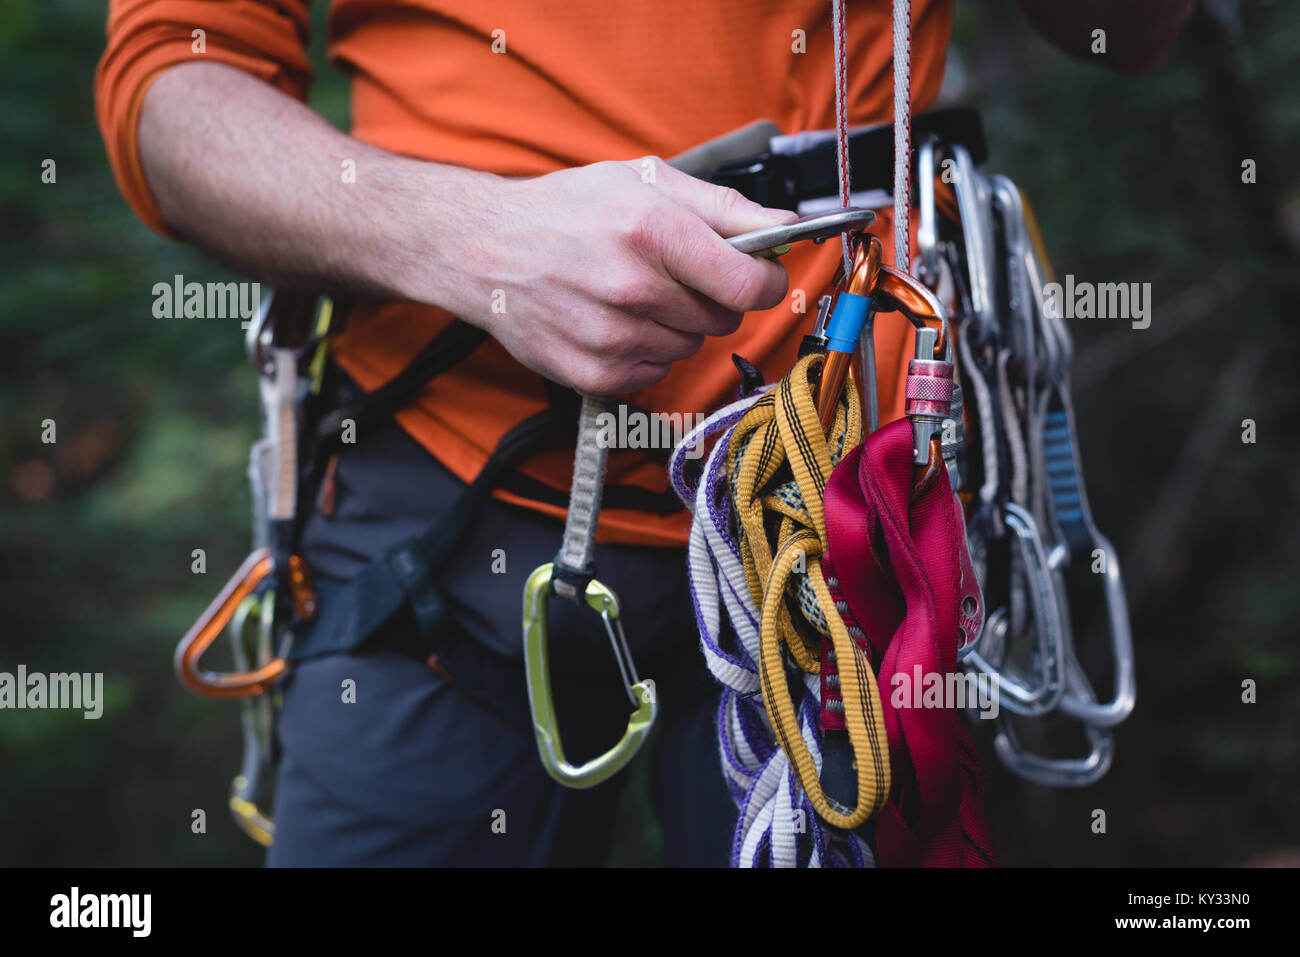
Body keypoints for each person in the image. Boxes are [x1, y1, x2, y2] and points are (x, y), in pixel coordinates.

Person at [96, 0, 1192, 866]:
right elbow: (174, 91)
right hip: (444, 493)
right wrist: (474, 242)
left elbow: (1133, 30)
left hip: (840, 506)